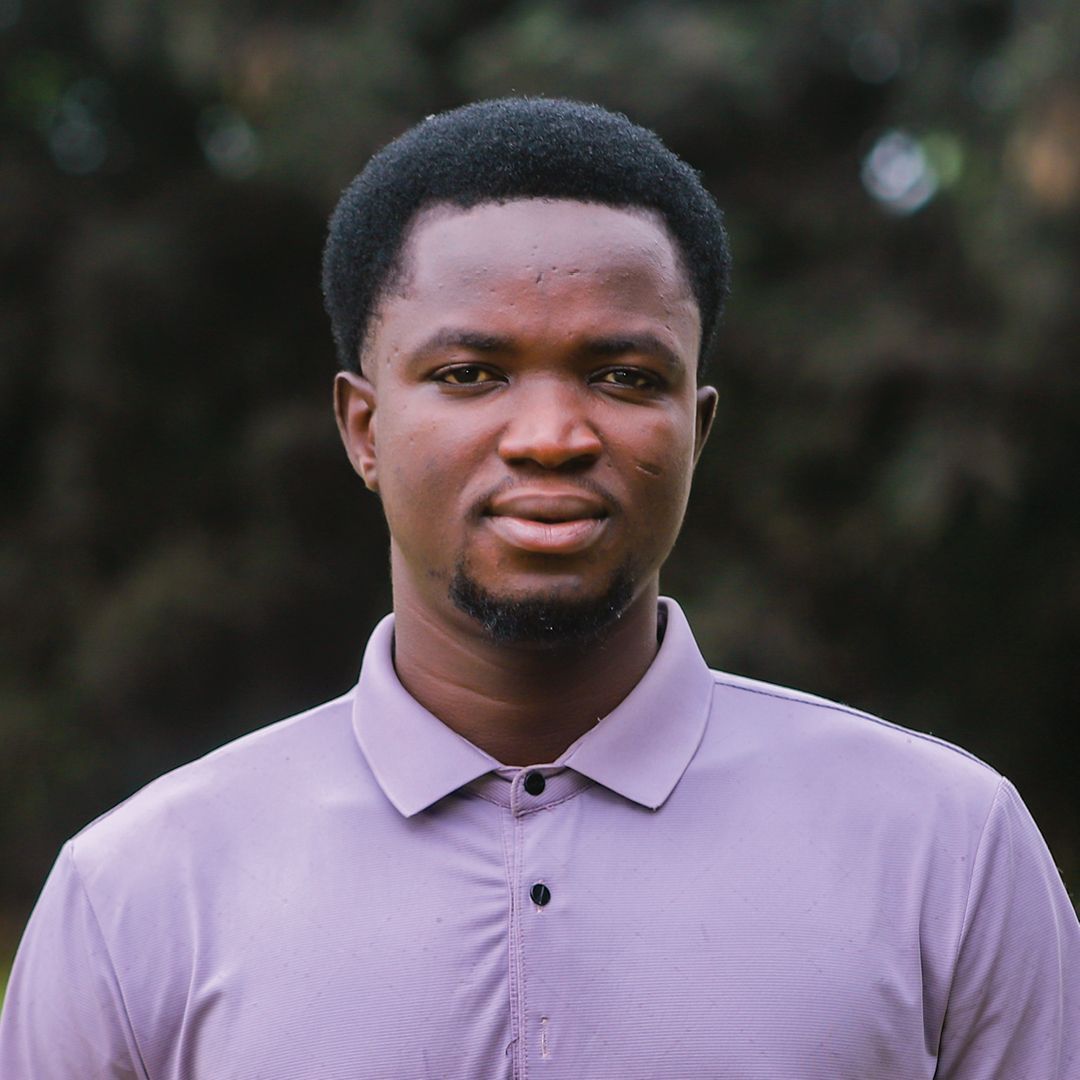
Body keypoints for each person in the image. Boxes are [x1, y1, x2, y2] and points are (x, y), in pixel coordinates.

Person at [1, 98, 1077, 1080]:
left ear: (696, 429)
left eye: (624, 377)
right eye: (470, 374)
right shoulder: (139, 895)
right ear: (364, 428)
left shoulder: (946, 850)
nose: (553, 436)